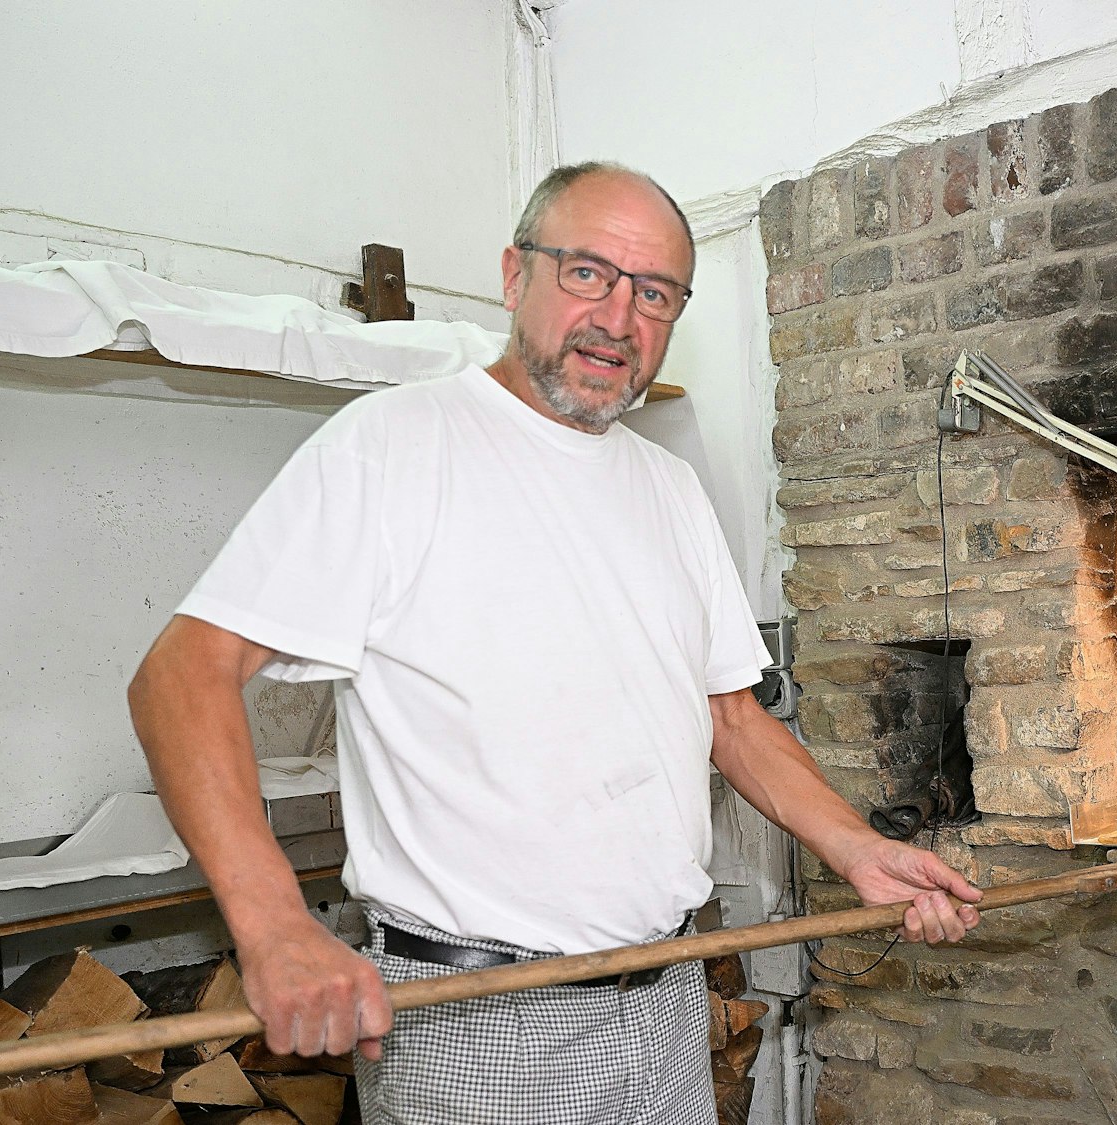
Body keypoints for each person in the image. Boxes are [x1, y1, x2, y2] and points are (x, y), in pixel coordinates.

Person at [128, 161, 982, 1124]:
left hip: (661, 1002)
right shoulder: (392, 446)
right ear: (513, 275)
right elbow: (180, 673)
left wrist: (861, 849)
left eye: (654, 293)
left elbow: (731, 720)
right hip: (475, 1024)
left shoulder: (669, 488)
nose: (619, 317)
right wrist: (273, 922)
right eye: (588, 273)